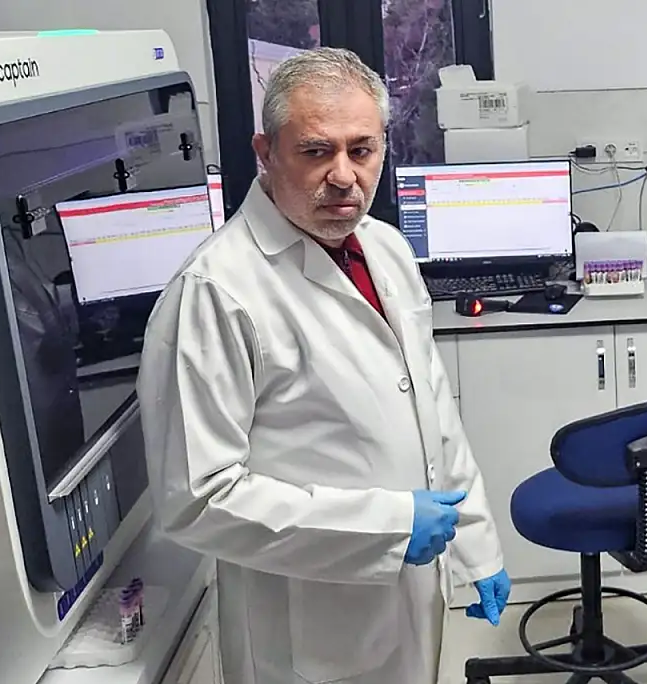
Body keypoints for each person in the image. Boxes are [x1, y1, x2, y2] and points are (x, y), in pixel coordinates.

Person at [137, 47, 509, 684]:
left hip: (410, 596)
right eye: (316, 151)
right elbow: (197, 498)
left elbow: (433, 412)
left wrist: (477, 543)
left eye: (362, 150)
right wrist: (389, 529)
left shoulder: (386, 249)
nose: (343, 176)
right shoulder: (217, 292)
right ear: (265, 152)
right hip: (306, 631)